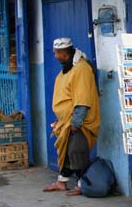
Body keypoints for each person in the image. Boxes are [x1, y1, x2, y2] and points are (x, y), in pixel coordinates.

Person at [43, 38, 100, 196]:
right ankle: (62, 182)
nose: (54, 56)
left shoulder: (81, 69)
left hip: (79, 121)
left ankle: (83, 185)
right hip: (66, 121)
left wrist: (76, 121)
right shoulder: (68, 69)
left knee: (76, 151)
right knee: (66, 151)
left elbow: (83, 98)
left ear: (63, 53)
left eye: (56, 53)